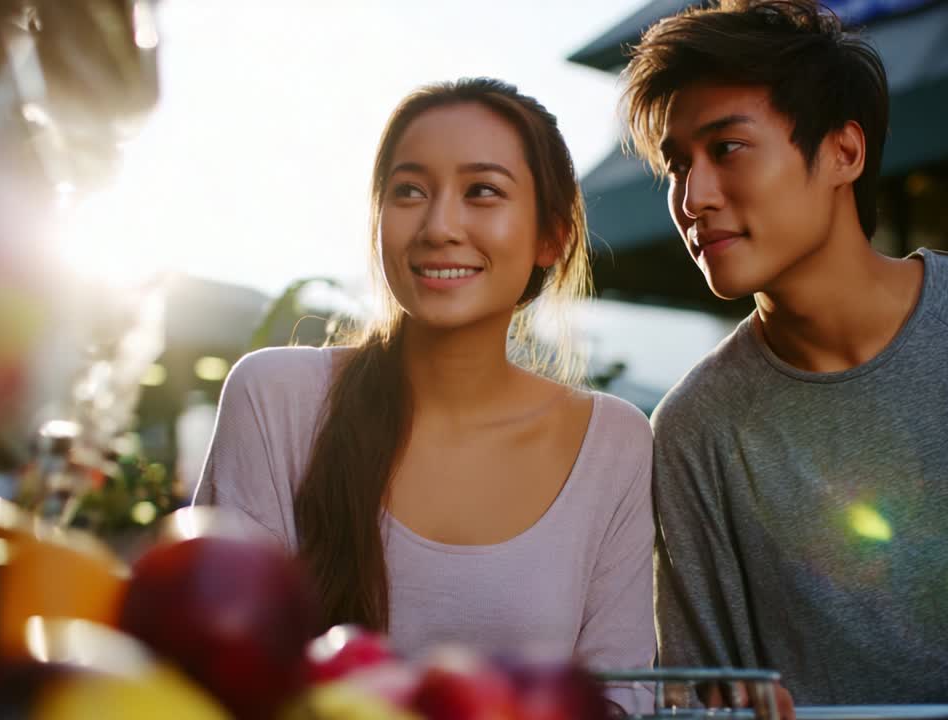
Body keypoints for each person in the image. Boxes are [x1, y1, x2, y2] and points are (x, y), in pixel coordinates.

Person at [619, 1, 948, 717]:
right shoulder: (693, 427)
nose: (692, 197)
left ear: (844, 152)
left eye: (728, 148)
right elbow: (703, 689)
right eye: (677, 166)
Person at [195, 78, 654, 713]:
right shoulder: (274, 399)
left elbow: (622, 700)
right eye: (408, 191)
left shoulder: (615, 443)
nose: (439, 226)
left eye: (482, 192)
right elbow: (220, 675)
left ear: (552, 236)